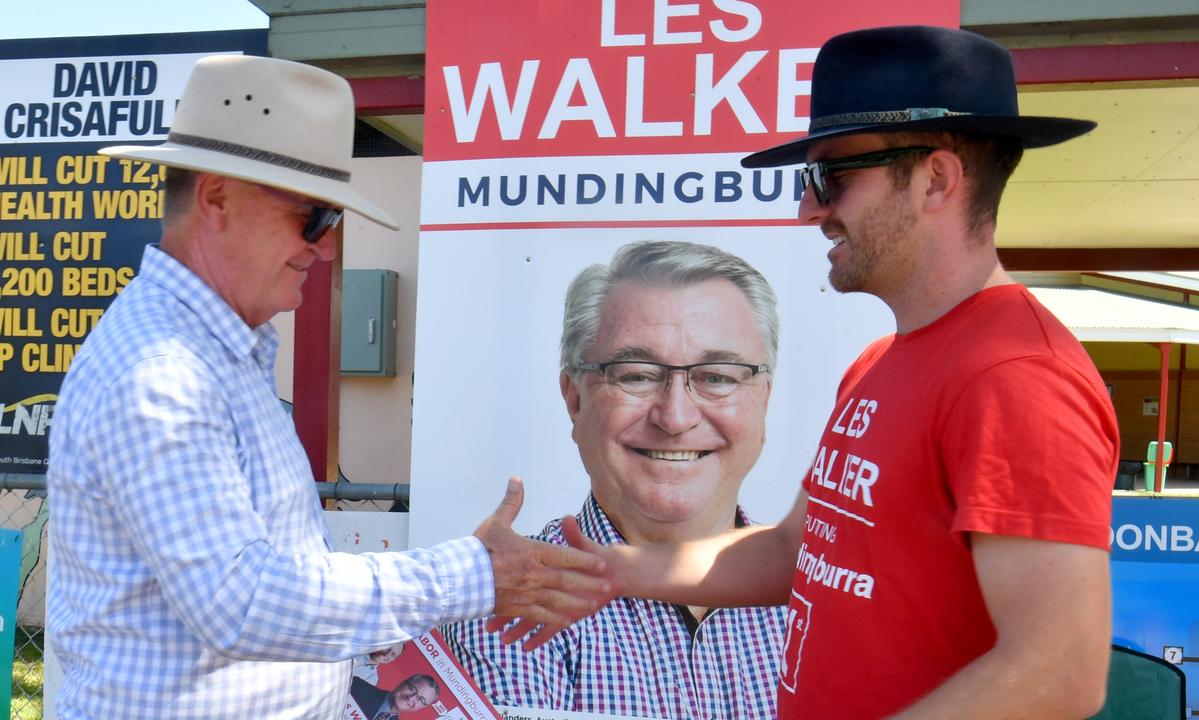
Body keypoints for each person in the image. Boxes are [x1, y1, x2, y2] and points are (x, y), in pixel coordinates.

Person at [495, 26, 1120, 719]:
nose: (809, 208)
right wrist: (611, 569)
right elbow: (796, 548)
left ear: (936, 179)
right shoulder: (883, 363)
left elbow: (1061, 670)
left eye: (832, 176)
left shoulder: (1015, 376)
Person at [45, 54, 606, 719]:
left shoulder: (216, 355)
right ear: (217, 199)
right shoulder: (162, 372)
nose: (328, 247)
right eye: (313, 218)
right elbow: (241, 600)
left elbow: (263, 589)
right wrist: (473, 575)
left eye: (333, 221)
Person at [444, 241, 785, 718]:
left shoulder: (830, 600)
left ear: (763, 399)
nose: (676, 416)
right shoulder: (510, 604)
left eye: (718, 376)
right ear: (575, 399)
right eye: (637, 376)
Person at [349, 673, 439, 720]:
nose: (411, 697)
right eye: (412, 689)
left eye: (420, 699)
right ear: (404, 682)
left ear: (422, 707)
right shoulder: (357, 686)